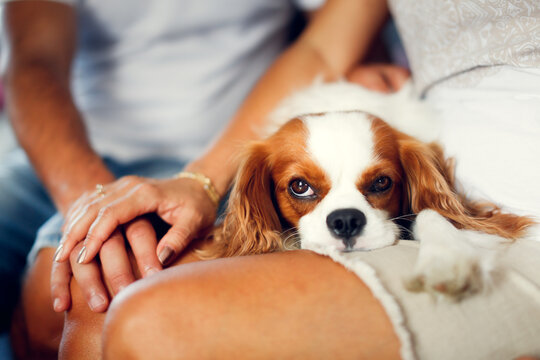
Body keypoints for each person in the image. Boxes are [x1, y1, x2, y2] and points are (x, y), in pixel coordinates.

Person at [30, 0, 540, 359]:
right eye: (302, 189)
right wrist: (201, 182)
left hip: (487, 202)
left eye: (376, 184)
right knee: (84, 302)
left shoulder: (417, 163)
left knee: (139, 319)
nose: (342, 210)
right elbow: (320, 48)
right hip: (439, 138)